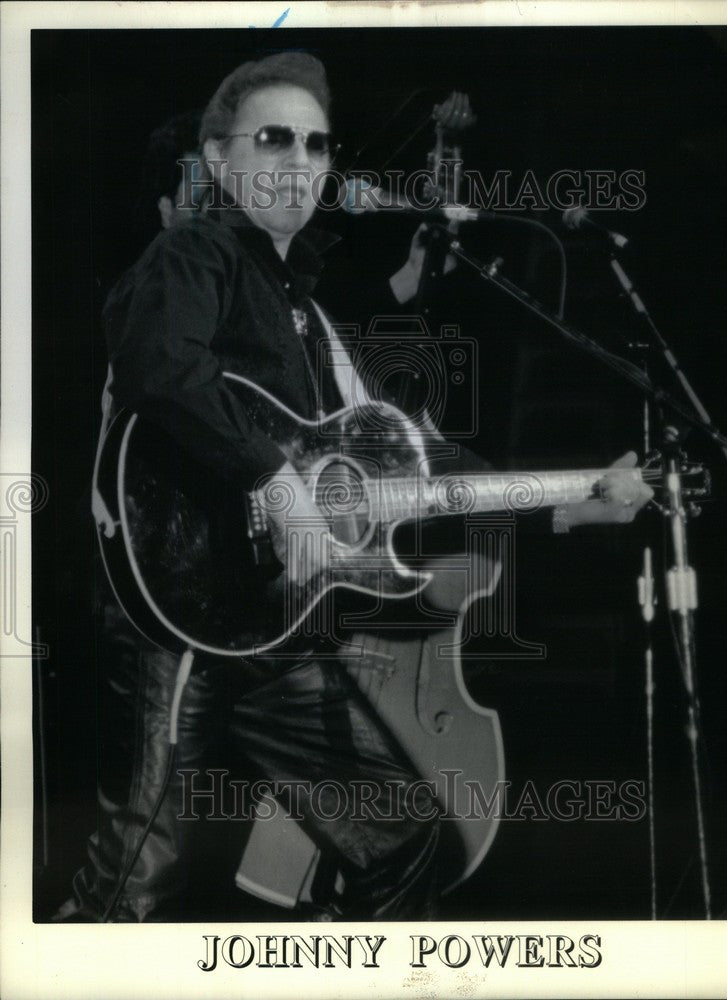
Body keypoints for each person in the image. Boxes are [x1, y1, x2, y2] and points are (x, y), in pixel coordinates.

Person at [55, 52, 652, 923]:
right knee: (134, 882)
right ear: (220, 160)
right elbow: (160, 369)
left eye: (317, 144)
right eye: (273, 138)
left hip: (271, 621)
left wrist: (575, 494)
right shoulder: (195, 252)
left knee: (406, 842)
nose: (300, 160)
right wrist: (274, 480)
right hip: (180, 610)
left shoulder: (298, 304)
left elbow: (411, 467)